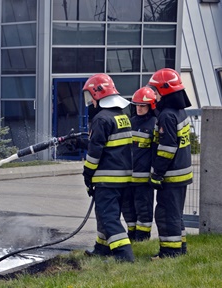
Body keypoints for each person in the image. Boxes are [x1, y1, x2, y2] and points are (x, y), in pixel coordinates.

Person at [82, 73, 135, 262]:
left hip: (107, 179)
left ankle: (124, 255)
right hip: (123, 178)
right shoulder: (122, 116)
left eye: (91, 96)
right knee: (105, 214)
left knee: (108, 217)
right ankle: (102, 248)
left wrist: (87, 173)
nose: (90, 101)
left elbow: (95, 152)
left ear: (98, 94)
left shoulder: (101, 119)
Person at [147, 68, 193, 258]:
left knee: (166, 214)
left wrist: (157, 174)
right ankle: (180, 249)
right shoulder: (180, 112)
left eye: (155, 90)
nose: (154, 94)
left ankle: (169, 253)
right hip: (182, 174)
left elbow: (167, 148)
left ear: (165, 91)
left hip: (171, 175)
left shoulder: (166, 115)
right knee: (176, 214)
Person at [121, 86, 157, 242]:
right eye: (136, 105)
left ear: (150, 106)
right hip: (128, 178)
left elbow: (156, 154)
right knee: (128, 209)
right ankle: (131, 237)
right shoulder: (130, 123)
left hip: (144, 180)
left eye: (143, 105)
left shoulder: (155, 124)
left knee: (144, 210)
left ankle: (142, 239)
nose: (139, 108)